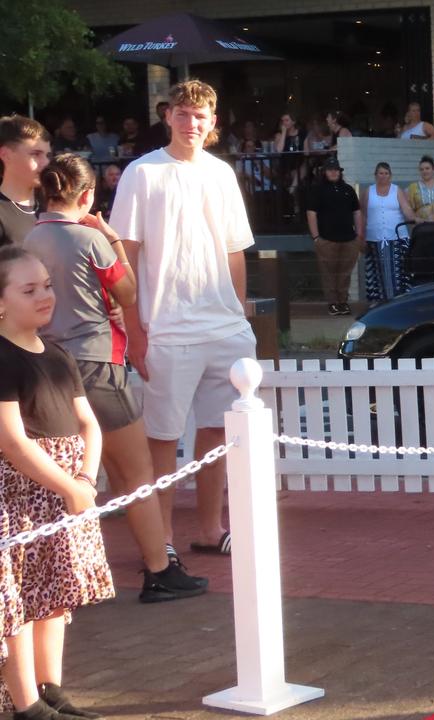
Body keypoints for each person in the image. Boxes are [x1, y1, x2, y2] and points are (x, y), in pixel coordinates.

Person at [26, 153, 208, 604]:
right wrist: (113, 240)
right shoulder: (90, 239)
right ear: (87, 196)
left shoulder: (27, 240)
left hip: (45, 365)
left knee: (69, 473)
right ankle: (160, 569)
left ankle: (64, 579)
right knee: (137, 473)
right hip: (98, 364)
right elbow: (126, 291)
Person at [110, 79, 257, 560]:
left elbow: (235, 251)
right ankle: (164, 539)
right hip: (166, 328)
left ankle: (211, 530)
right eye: (182, 113)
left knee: (217, 433)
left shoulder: (221, 174)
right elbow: (125, 254)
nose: (190, 123)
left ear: (213, 122)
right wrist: (134, 330)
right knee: (163, 440)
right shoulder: (142, 172)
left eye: (200, 115)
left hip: (224, 329)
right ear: (167, 116)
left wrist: (239, 314)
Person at [0, 245, 115, 719]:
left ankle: (53, 690)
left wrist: (84, 476)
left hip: (67, 487)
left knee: (56, 594)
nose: (44, 296)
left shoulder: (59, 354)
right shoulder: (3, 358)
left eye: (47, 285)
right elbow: (12, 441)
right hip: (21, 493)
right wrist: (69, 488)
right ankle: (26, 704)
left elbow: (88, 423)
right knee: (20, 600)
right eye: (29, 290)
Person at [307, 156, 363, 315]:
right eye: (330, 170)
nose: (333, 172)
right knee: (328, 273)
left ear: (339, 172)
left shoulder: (348, 190)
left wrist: (358, 235)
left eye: (335, 170)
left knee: (345, 273)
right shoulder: (317, 190)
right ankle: (332, 303)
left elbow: (357, 213)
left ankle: (343, 302)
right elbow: (311, 213)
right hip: (326, 239)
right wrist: (316, 237)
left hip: (349, 239)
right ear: (325, 172)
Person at [359, 162, 415, 303]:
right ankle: (379, 304)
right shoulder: (368, 192)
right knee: (377, 273)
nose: (383, 176)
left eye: (386, 173)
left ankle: (398, 302)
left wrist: (416, 219)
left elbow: (406, 210)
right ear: (375, 175)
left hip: (396, 237)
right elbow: (363, 215)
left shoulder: (397, 190)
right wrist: (361, 236)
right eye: (380, 173)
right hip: (374, 238)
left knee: (398, 273)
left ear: (390, 175)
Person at [0, 116, 50, 248]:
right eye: (36, 154)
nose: (46, 163)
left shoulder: (54, 203)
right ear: (6, 155)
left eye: (47, 155)